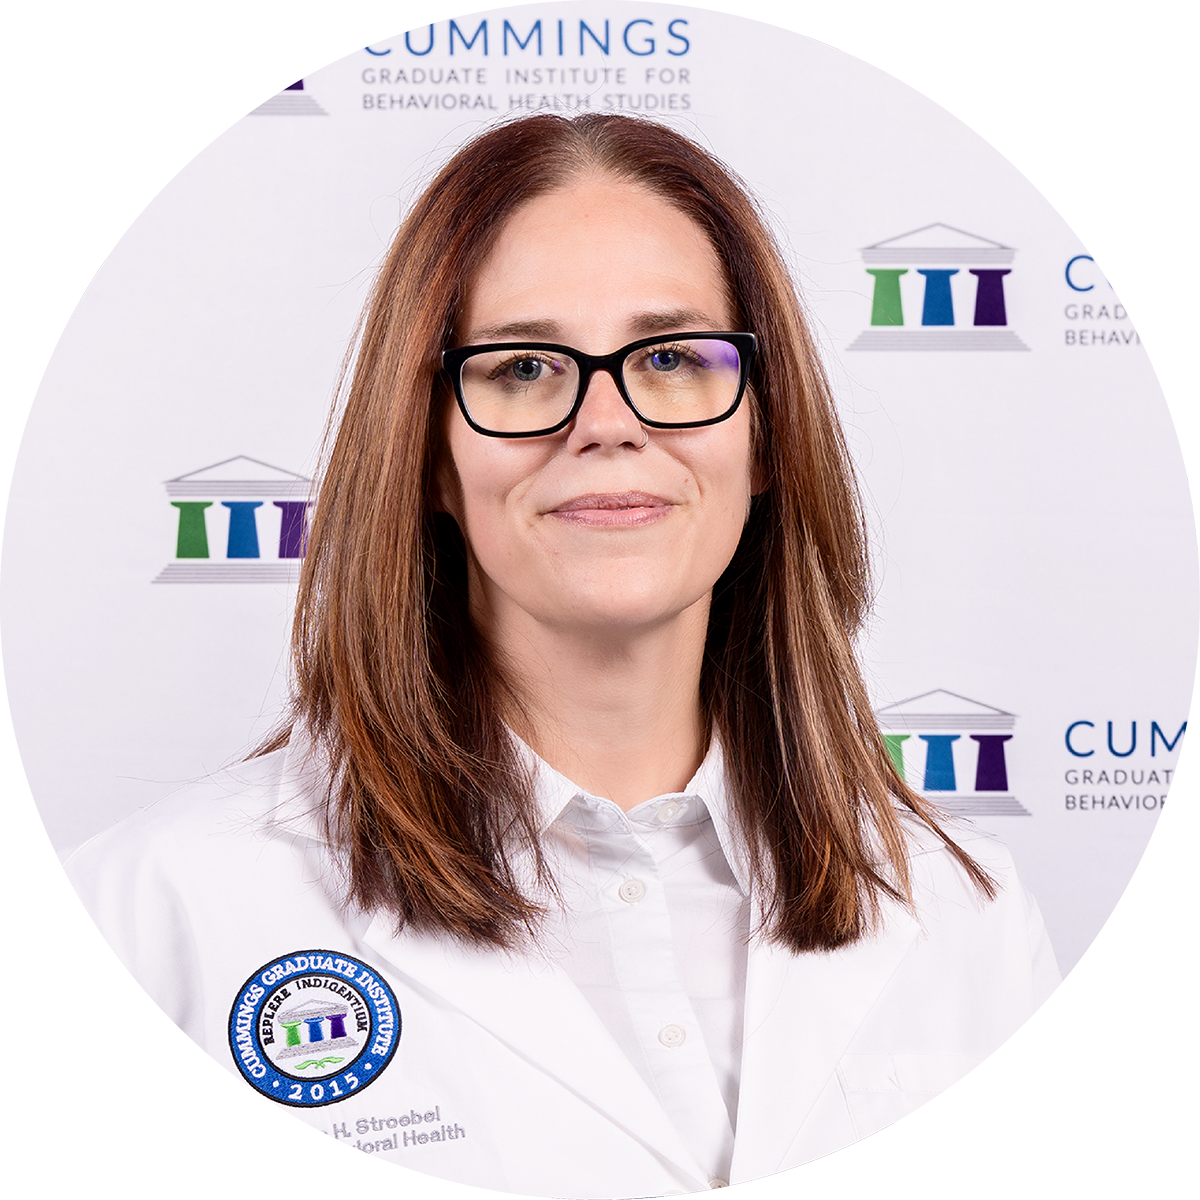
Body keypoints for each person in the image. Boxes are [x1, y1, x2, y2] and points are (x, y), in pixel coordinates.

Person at [67, 113, 1060, 1198]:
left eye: (671, 358)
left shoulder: (965, 914)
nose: (606, 422)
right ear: (430, 454)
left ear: (766, 433)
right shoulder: (168, 907)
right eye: (525, 367)